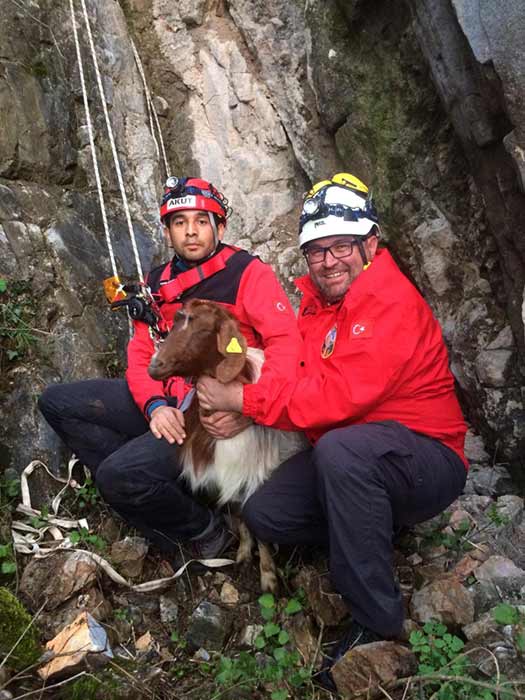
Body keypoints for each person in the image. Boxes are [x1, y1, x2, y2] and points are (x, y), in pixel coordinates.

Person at [196, 173, 468, 684]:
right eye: (316, 250)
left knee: (343, 450)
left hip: (426, 457)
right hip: (362, 460)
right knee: (267, 512)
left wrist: (244, 402)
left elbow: (337, 397)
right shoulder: (318, 309)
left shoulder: (388, 300)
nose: (328, 260)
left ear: (370, 244)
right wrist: (238, 392)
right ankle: (373, 521)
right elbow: (290, 369)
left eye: (341, 245)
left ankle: (377, 620)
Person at [38, 176, 301, 561]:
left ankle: (202, 532)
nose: (191, 232)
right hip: (167, 402)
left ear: (220, 227)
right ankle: (175, 497)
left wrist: (252, 406)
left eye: (201, 220)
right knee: (57, 402)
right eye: (179, 223)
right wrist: (155, 408)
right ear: (167, 231)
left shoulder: (248, 274)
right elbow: (141, 355)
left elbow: (286, 344)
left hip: (212, 411)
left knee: (116, 475)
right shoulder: (158, 282)